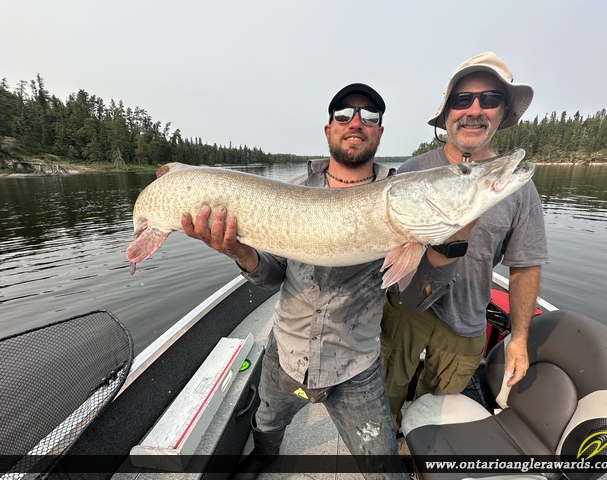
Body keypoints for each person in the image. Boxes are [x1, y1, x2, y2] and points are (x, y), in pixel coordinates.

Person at [181, 83, 468, 479]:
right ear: (328, 128)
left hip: (354, 366)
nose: (357, 123)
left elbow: (416, 296)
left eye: (370, 117)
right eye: (344, 115)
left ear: (380, 133)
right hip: (288, 352)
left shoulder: (399, 194)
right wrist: (239, 252)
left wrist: (451, 239)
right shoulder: (294, 190)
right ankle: (266, 454)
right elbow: (272, 275)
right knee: (268, 416)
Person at [380, 52, 550, 431]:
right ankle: (388, 439)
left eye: (489, 99)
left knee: (438, 412)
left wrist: (519, 338)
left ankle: (420, 448)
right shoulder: (412, 171)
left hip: (468, 319)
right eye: (463, 100)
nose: (475, 109)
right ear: (447, 114)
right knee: (387, 390)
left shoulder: (518, 189)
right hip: (408, 311)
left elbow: (525, 266)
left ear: (503, 112)